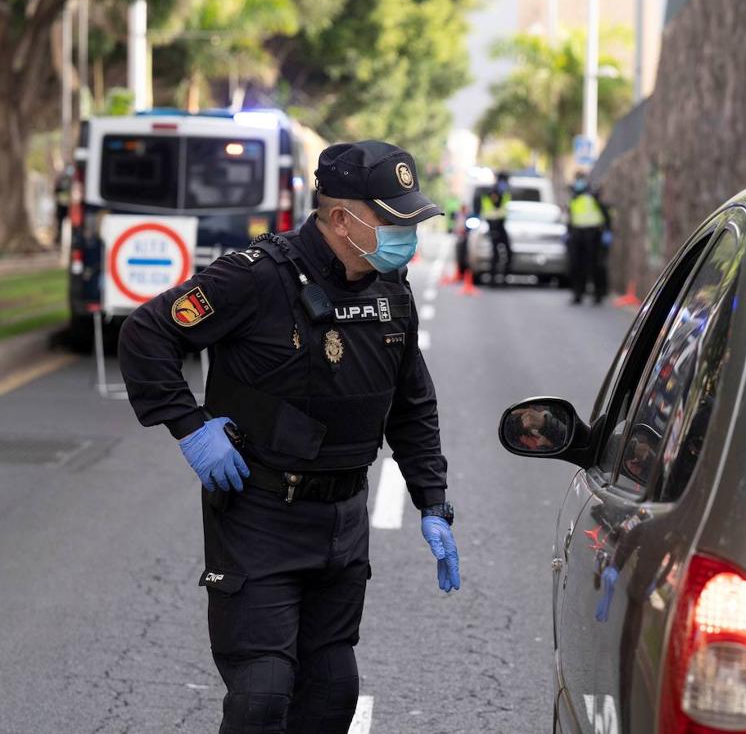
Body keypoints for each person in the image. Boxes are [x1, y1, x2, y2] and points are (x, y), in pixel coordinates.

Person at [117, 140, 460, 734]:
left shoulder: (392, 291)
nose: (409, 237)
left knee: (332, 693)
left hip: (343, 520)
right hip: (260, 515)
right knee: (261, 695)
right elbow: (147, 335)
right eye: (395, 222)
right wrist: (190, 427)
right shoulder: (255, 279)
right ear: (341, 219)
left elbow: (412, 405)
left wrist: (432, 502)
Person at [566, 171, 611, 304]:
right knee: (576, 265)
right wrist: (568, 231)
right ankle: (578, 294)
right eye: (577, 179)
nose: (579, 182)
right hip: (577, 233)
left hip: (592, 234)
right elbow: (571, 216)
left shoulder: (593, 195)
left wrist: (607, 231)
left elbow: (605, 214)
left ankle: (598, 294)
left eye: (581, 179)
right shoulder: (573, 197)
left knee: (594, 265)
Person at [480, 171, 513, 284]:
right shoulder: (493, 192)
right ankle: (494, 279)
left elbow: (505, 208)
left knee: (508, 252)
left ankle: (503, 277)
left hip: (500, 225)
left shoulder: (504, 192)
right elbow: (493, 208)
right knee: (496, 253)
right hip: (494, 225)